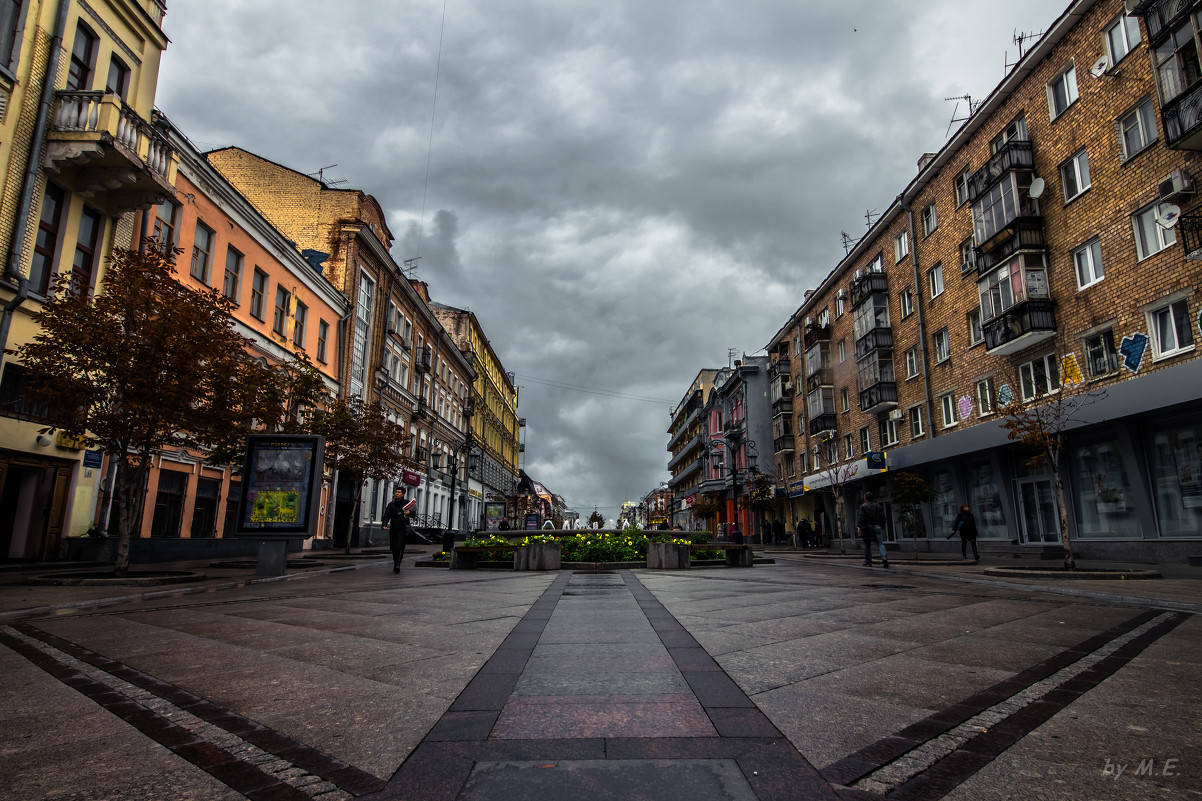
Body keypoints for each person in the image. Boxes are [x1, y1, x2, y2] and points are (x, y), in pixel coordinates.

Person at [380, 488, 412, 574]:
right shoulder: (391, 504)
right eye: (396, 492)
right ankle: (395, 563)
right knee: (394, 547)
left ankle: (398, 564)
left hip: (403, 527)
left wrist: (409, 513)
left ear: (403, 494)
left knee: (400, 546)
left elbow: (413, 514)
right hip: (394, 527)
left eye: (399, 492)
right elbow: (386, 515)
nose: (397, 493)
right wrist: (384, 524)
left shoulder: (407, 503)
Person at [856, 491, 888, 568]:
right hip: (877, 526)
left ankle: (868, 561)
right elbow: (883, 517)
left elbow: (861, 518)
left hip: (867, 527)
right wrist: (882, 526)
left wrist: (859, 526)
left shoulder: (863, 506)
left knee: (867, 545)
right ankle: (884, 558)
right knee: (880, 544)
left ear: (865, 498)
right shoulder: (878, 506)